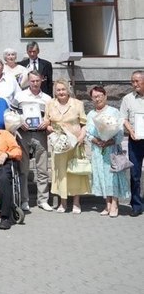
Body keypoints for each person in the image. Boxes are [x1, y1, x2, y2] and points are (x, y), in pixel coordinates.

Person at [46, 79, 89, 213]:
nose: (61, 92)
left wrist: (81, 138)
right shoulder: (50, 104)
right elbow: (46, 122)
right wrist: (51, 129)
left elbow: (84, 124)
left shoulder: (77, 104)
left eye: (63, 89)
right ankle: (62, 203)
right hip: (59, 145)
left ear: (68, 90)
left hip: (75, 143)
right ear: (55, 92)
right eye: (58, 90)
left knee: (75, 172)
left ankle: (76, 203)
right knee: (61, 174)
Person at [86, 86, 130, 218]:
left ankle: (115, 203)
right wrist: (97, 141)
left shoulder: (114, 111)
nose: (97, 99)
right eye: (94, 97)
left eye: (100, 96)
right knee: (102, 177)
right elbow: (88, 133)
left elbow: (120, 132)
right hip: (98, 151)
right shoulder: (91, 114)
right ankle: (107, 203)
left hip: (111, 150)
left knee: (113, 177)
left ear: (105, 96)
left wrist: (109, 141)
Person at [15, 70, 53, 212]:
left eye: (37, 80)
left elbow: (52, 116)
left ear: (42, 80)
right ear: (28, 81)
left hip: (40, 134)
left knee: (42, 169)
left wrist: (47, 121)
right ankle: (24, 200)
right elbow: (11, 113)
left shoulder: (48, 98)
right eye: (32, 81)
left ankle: (43, 200)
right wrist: (19, 122)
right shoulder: (20, 96)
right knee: (23, 169)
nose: (35, 83)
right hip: (23, 134)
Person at [122, 70, 144, 217]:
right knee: (135, 173)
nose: (134, 84)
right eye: (132, 81)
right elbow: (123, 119)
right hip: (135, 140)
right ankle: (136, 204)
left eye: (137, 81)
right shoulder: (127, 99)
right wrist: (131, 131)